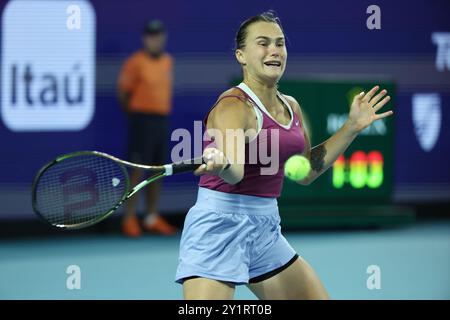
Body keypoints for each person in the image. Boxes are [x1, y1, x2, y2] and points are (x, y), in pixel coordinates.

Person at [174, 11, 393, 299]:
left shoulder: (291, 106)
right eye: (263, 43)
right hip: (219, 227)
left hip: (266, 229)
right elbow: (236, 172)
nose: (274, 50)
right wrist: (223, 162)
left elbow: (306, 171)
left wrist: (351, 127)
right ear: (241, 55)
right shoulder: (233, 106)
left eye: (280, 43)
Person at [118, 20, 177, 237]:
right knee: (136, 170)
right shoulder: (135, 62)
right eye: (151, 35)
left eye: (159, 35)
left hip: (161, 121)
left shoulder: (168, 61)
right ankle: (130, 218)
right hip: (141, 121)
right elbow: (123, 94)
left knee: (158, 170)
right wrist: (137, 114)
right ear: (145, 39)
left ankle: (151, 217)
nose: (155, 39)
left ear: (163, 37)